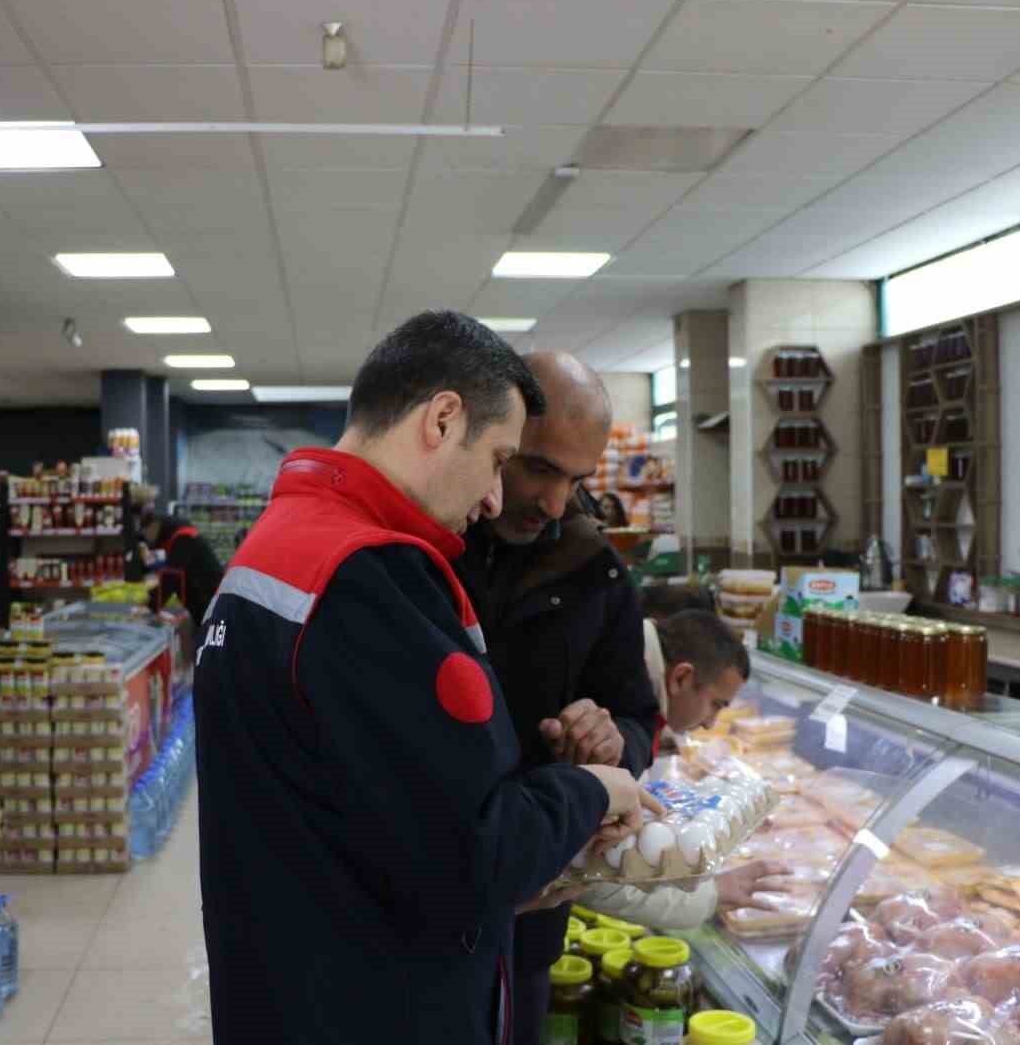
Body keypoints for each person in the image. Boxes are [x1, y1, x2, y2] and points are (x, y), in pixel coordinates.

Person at [193, 311, 655, 1045]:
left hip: (294, 976)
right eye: (503, 459)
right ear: (442, 420)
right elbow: (474, 856)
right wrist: (595, 790)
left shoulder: (277, 546)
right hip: (371, 999)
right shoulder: (366, 576)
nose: (497, 498)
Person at [452, 352, 662, 1045]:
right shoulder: (423, 550)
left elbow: (638, 716)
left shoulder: (595, 571)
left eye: (576, 480)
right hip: (418, 888)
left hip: (536, 898)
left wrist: (613, 743)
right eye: (539, 468)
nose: (553, 502)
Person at [583, 609, 789, 929]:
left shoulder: (626, 666)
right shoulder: (615, 696)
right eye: (716, 704)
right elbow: (590, 863)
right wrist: (711, 894)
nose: (710, 723)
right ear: (681, 677)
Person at [137, 497, 224, 625]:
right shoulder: (181, 536)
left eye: (147, 531)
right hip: (210, 604)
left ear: (156, 524)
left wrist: (150, 604)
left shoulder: (183, 538)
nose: (147, 538)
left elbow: (171, 577)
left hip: (212, 608)